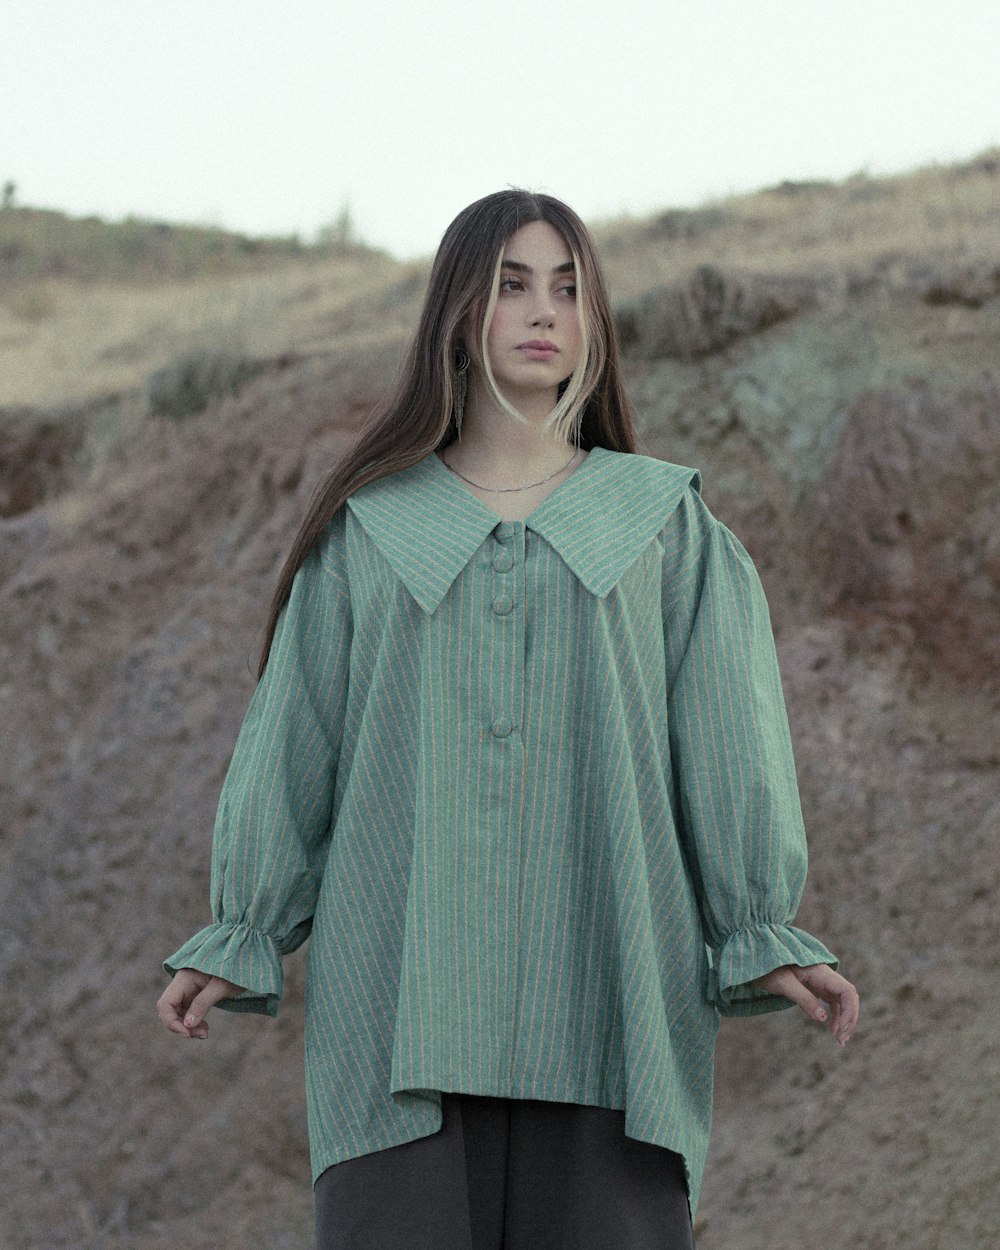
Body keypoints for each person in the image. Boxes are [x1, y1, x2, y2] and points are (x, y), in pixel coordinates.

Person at [157, 189, 859, 1249]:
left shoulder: (666, 527)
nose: (546, 312)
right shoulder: (368, 532)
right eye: (513, 285)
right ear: (457, 313)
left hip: (614, 1006)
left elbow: (730, 748)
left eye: (570, 289)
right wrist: (242, 929)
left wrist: (757, 928)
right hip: (397, 1014)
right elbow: (295, 742)